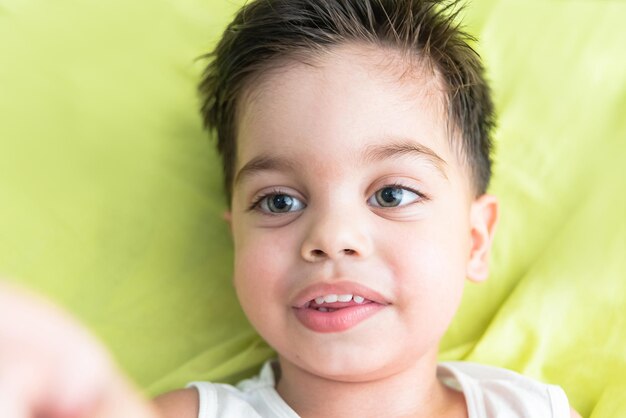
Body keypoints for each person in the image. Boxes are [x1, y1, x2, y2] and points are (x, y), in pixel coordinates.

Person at [0, 0, 581, 417]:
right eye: (279, 201)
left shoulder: (529, 407)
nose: (331, 236)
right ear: (237, 240)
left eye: (392, 194)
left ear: (476, 240)